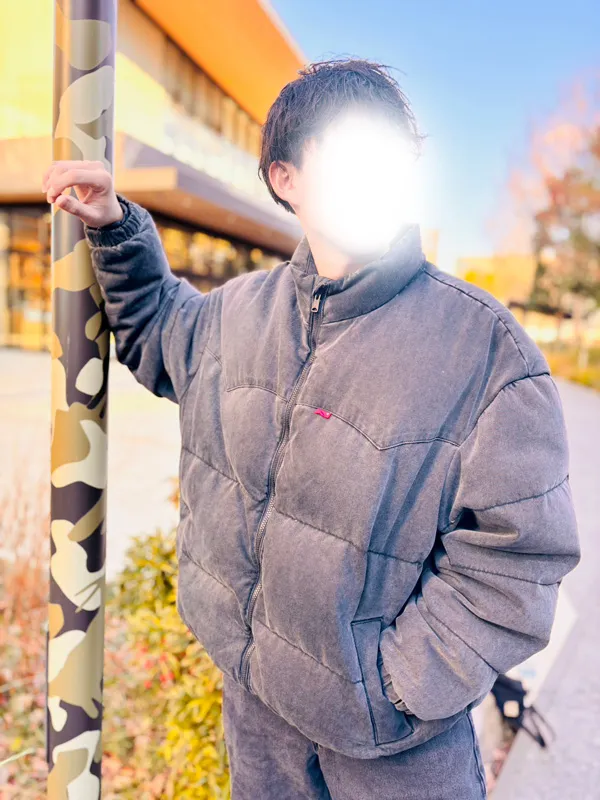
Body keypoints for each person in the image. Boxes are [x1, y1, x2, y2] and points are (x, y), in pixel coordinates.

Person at [42, 59, 580, 800]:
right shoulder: (236, 314)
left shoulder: (487, 350)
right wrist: (113, 226)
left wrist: (393, 688)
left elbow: (519, 560)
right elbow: (157, 326)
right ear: (285, 177)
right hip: (257, 717)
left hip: (396, 756)